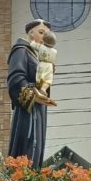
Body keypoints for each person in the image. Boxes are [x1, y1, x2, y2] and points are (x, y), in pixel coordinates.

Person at [7, 19, 56, 168]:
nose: (44, 37)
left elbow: (40, 81)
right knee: (28, 145)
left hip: (39, 109)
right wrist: (35, 95)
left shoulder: (38, 56)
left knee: (37, 148)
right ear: (31, 33)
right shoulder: (21, 50)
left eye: (47, 34)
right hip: (27, 110)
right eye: (41, 33)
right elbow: (15, 80)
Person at [29, 28, 58, 97]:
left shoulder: (41, 47)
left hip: (42, 64)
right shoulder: (54, 51)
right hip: (49, 66)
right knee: (48, 80)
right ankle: (43, 89)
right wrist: (54, 69)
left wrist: (32, 38)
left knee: (39, 77)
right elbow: (53, 62)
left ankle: (38, 88)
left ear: (44, 41)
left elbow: (32, 45)